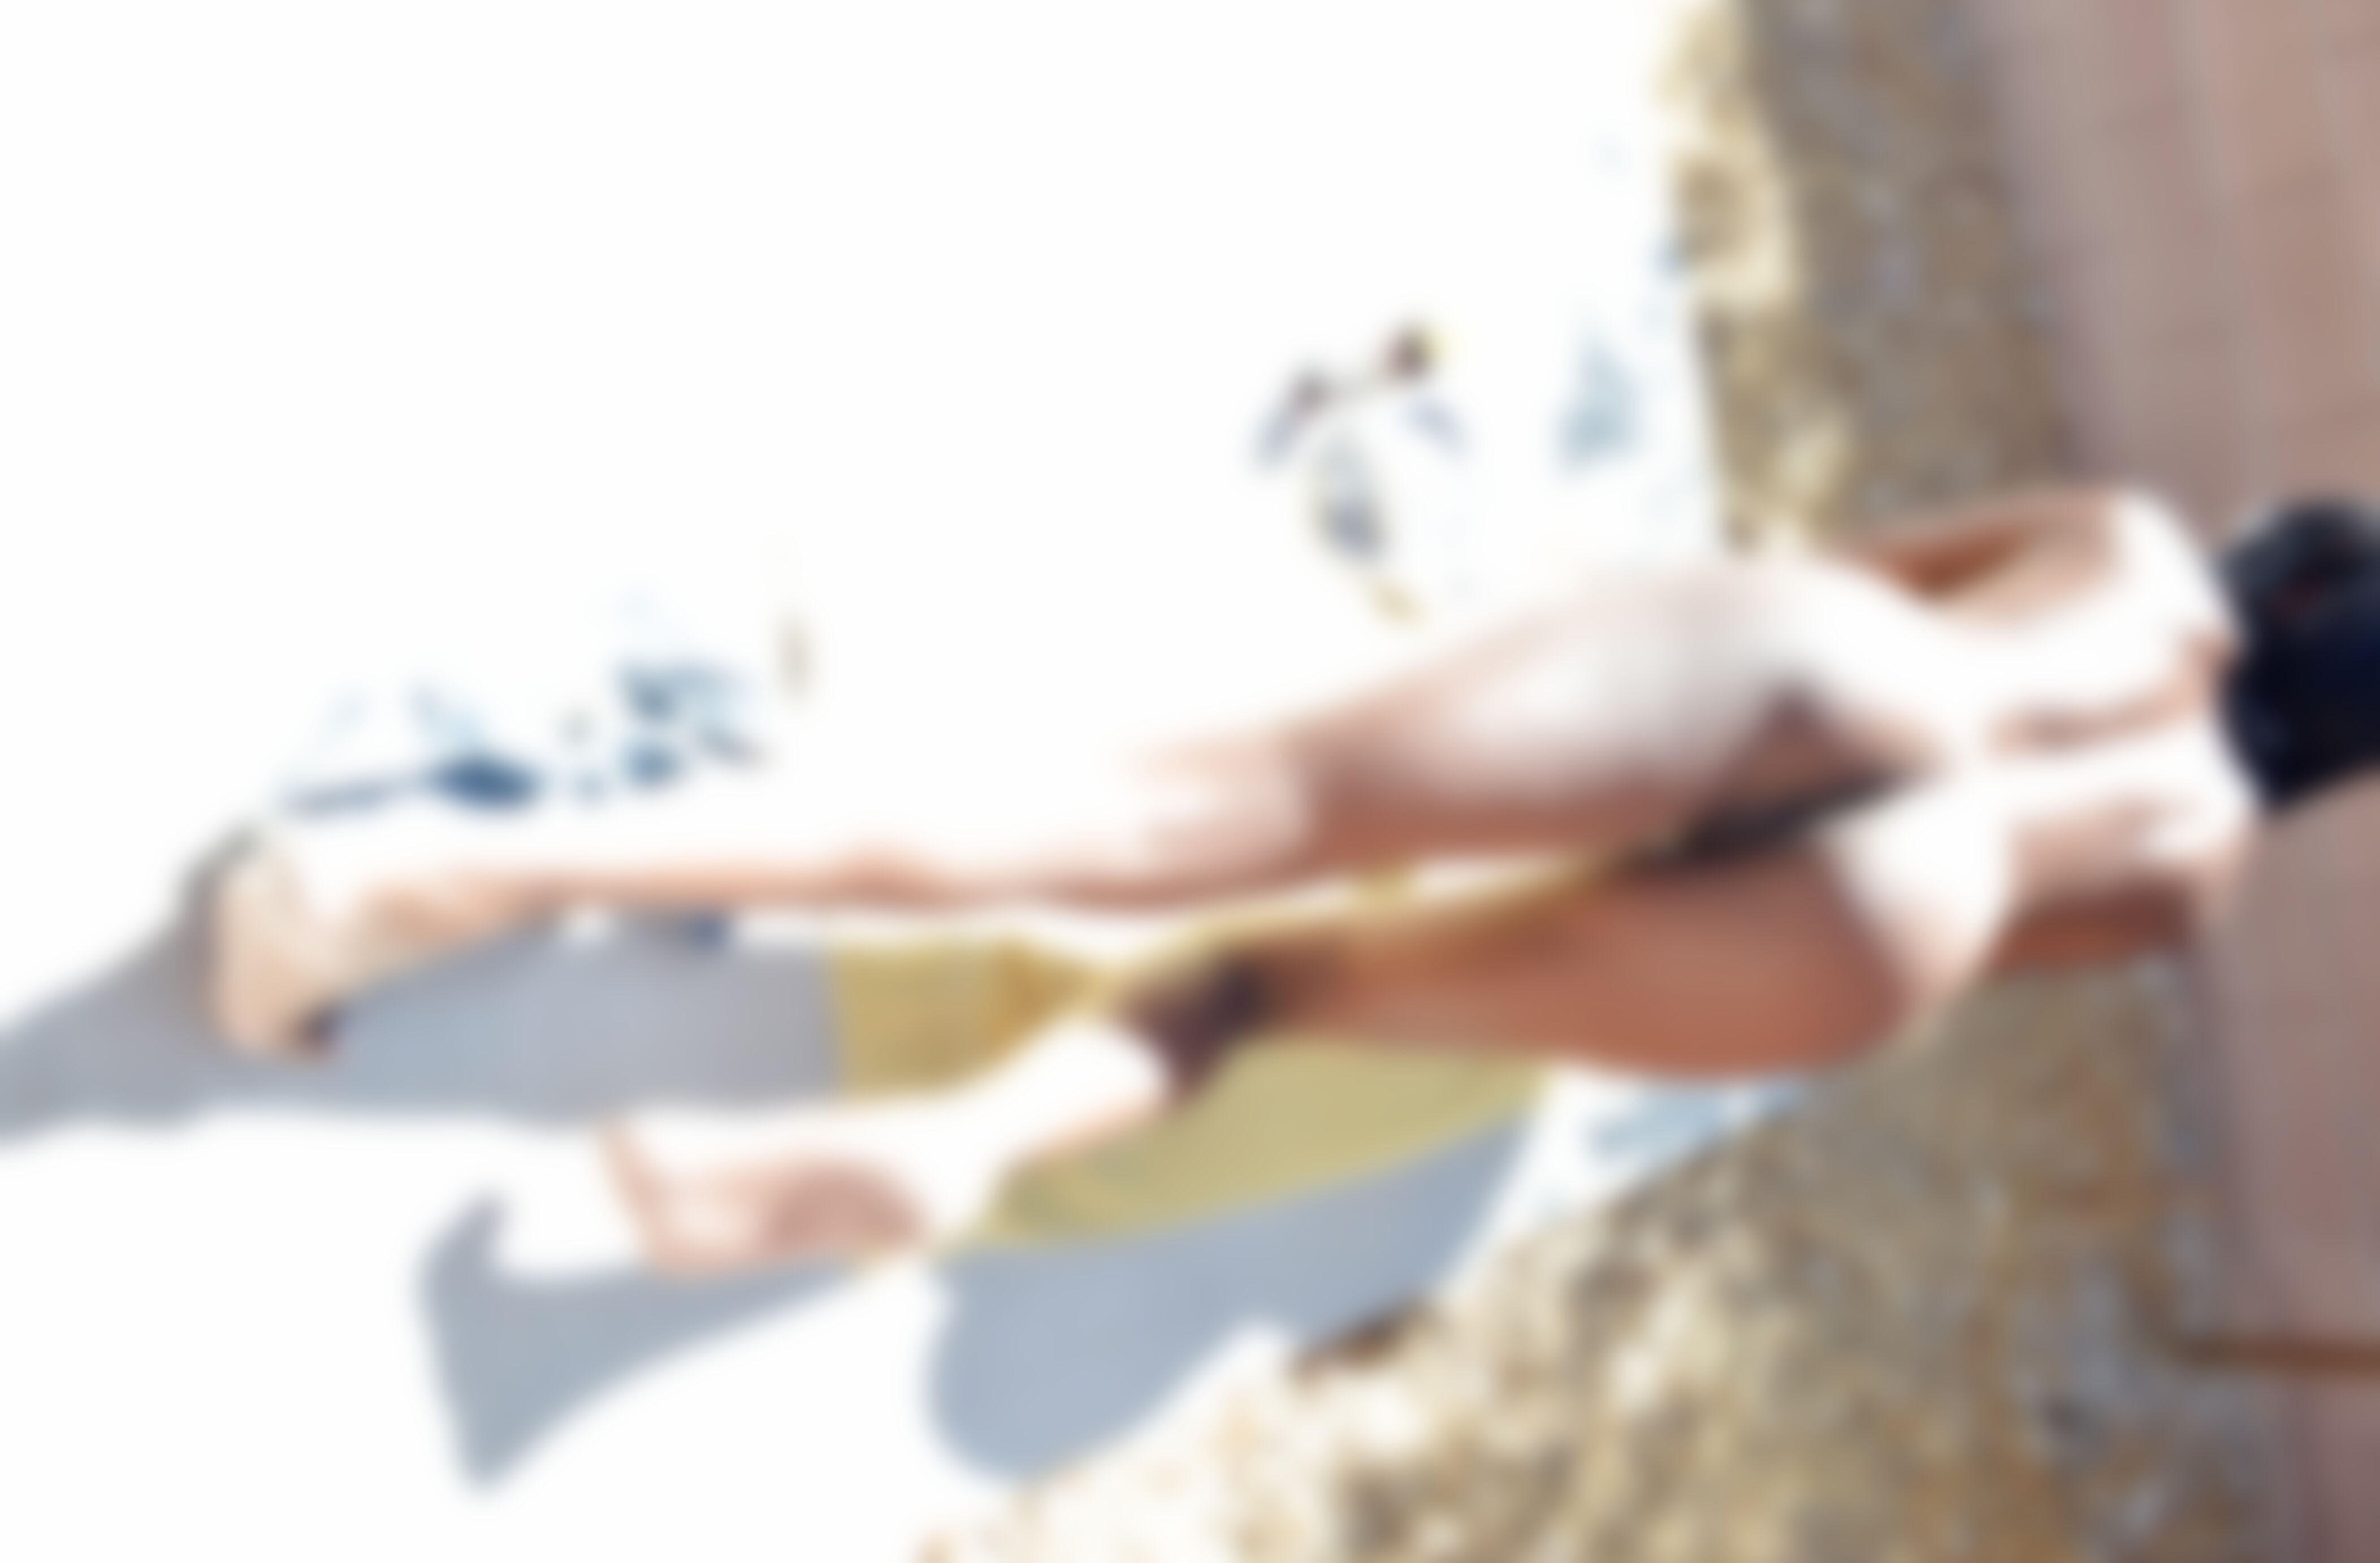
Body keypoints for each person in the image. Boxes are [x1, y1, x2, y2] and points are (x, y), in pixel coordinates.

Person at [202, 486, 2380, 1274]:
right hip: (1884, 933)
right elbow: (1975, 931)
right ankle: (962, 1144)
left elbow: (1817, 579)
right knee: (1276, 995)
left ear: (2295, 584)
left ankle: (427, 872)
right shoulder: (2197, 875)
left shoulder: (2124, 541)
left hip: (1833, 673)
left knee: (1166, 813)